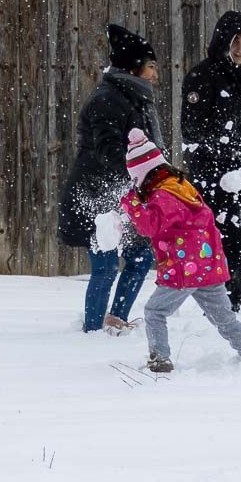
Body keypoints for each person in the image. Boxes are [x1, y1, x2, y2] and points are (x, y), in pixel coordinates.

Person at [120, 129, 241, 373]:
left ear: (144, 174)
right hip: (208, 264)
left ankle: (160, 359)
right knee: (224, 318)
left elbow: (149, 226)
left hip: (184, 268)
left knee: (155, 311)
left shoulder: (163, 195)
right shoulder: (182, 186)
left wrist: (131, 203)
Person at [57, 24, 162, 335]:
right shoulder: (108, 99)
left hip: (127, 194)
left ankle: (114, 320)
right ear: (134, 66)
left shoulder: (136, 99)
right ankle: (91, 333)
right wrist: (147, 171)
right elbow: (109, 154)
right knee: (104, 267)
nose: (155, 74)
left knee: (141, 258)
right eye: (151, 66)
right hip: (97, 196)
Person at [180, 10, 241, 312]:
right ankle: (218, 312)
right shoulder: (202, 76)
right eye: (235, 41)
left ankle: (230, 309)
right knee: (225, 250)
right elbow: (193, 131)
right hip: (211, 181)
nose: (240, 49)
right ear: (224, 42)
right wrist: (229, 152)